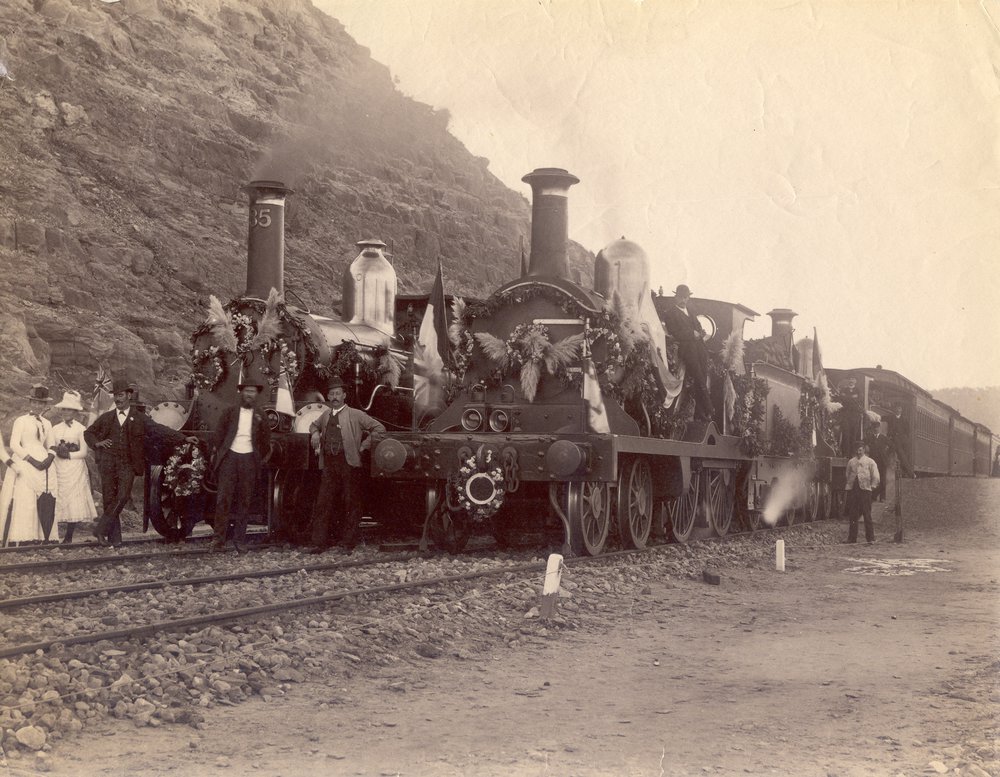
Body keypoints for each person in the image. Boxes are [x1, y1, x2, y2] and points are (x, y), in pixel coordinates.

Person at [85, 378, 188, 547]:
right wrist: (97, 443)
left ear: (129, 396)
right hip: (108, 464)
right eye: (116, 396)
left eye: (121, 395)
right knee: (110, 500)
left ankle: (101, 529)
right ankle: (115, 539)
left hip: (128, 464)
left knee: (123, 496)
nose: (118, 399)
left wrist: (182, 438)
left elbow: (159, 430)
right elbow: (89, 433)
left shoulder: (140, 418)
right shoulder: (107, 417)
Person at [307, 377, 385, 553]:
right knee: (323, 503)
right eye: (331, 394)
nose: (334, 397)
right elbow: (313, 425)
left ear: (344, 395)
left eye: (338, 393)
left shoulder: (356, 414)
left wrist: (364, 446)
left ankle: (348, 543)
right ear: (327, 396)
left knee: (351, 503)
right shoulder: (326, 414)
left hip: (349, 463)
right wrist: (315, 434)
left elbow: (379, 428)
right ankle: (319, 543)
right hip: (329, 464)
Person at [210, 380, 272, 552]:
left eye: (252, 391)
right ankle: (218, 539)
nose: (249, 394)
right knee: (223, 499)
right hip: (230, 457)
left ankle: (240, 540)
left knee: (245, 501)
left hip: (249, 460)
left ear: (256, 394)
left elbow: (265, 441)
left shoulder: (261, 415)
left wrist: (257, 458)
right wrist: (223, 453)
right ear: (241, 393)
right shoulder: (229, 412)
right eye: (246, 391)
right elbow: (219, 434)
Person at [1, 385, 56, 546]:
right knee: (25, 497)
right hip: (25, 460)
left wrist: (49, 459)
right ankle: (22, 537)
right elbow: (14, 444)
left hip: (43, 463)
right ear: (30, 403)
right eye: (35, 402)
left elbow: (51, 444)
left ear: (45, 405)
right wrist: (31, 460)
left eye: (41, 403)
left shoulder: (47, 422)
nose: (38, 406)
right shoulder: (21, 421)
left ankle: (38, 536)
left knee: (41, 496)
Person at [49, 390, 98, 538]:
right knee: (57, 496)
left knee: (73, 499)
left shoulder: (81, 429)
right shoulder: (55, 428)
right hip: (58, 466)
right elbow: (50, 446)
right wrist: (57, 451)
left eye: (69, 409)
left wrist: (68, 454)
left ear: (76, 411)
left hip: (74, 467)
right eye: (64, 409)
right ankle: (53, 534)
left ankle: (69, 536)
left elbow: (84, 452)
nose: (66, 412)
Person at [660, 284, 712, 421]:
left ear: (688, 298)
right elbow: (674, 332)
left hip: (700, 349)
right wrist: (692, 333)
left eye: (686, 297)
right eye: (681, 297)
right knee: (699, 378)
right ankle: (708, 408)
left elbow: (698, 327)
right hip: (687, 350)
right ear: (675, 297)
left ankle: (700, 414)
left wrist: (701, 332)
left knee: (702, 378)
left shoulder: (691, 312)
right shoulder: (670, 313)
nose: (683, 300)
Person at [844, 443, 880, 544]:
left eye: (860, 450)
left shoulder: (870, 462)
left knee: (867, 514)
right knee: (853, 514)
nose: (858, 452)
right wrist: (850, 484)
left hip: (865, 490)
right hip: (854, 490)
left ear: (864, 450)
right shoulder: (851, 462)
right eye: (857, 450)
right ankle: (852, 538)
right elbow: (847, 474)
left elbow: (876, 475)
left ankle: (870, 538)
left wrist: (872, 486)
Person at [836, 377, 863, 457]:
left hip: (855, 416)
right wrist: (852, 398)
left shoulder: (858, 390)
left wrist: (848, 398)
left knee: (853, 435)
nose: (851, 381)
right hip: (846, 415)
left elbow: (859, 400)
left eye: (853, 379)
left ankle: (852, 454)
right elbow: (842, 398)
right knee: (845, 434)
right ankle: (845, 454)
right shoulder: (844, 390)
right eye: (850, 379)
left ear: (855, 381)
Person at [867, 422, 890, 501]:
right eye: (874, 428)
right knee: (874, 479)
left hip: (882, 462)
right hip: (873, 462)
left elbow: (892, 446)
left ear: (879, 428)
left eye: (877, 427)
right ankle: (873, 496)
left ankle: (882, 497)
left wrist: (886, 453)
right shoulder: (869, 438)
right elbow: (862, 444)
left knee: (883, 481)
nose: (876, 429)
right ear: (873, 429)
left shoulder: (884, 438)